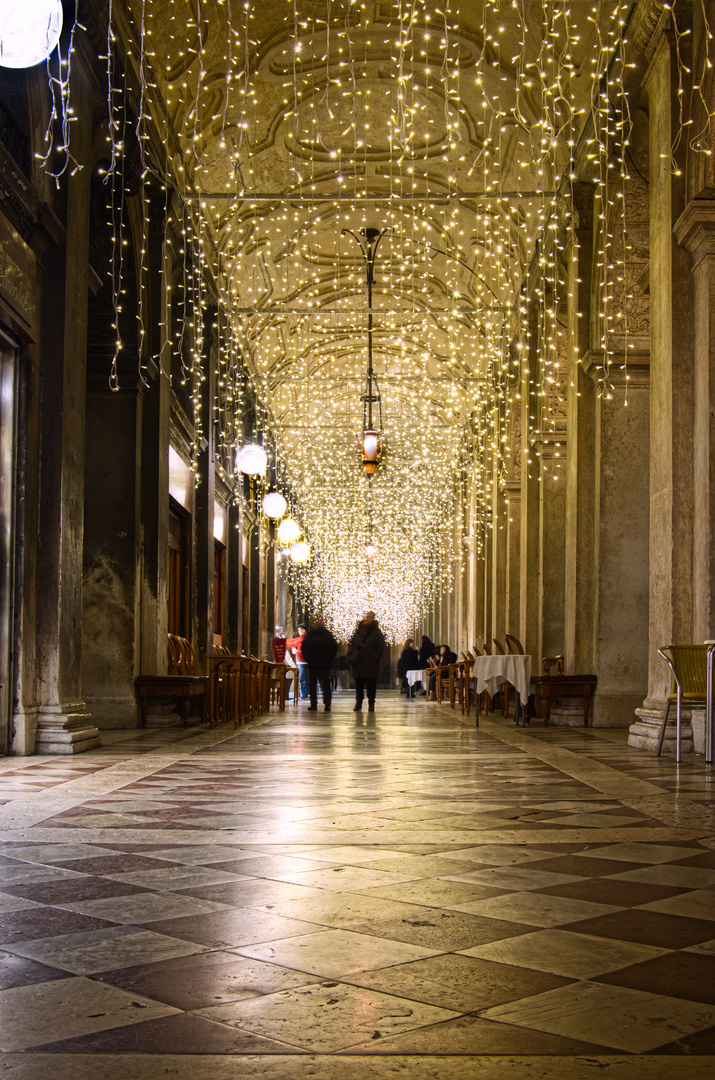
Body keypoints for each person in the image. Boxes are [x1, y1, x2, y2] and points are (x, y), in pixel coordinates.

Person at [347, 610, 386, 713]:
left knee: (371, 684)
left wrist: (374, 657)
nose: (366, 618)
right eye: (366, 616)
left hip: (370, 663)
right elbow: (351, 643)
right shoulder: (358, 630)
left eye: (369, 617)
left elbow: (381, 646)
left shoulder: (376, 632)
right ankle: (358, 702)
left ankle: (371, 703)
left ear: (373, 618)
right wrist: (351, 653)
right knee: (359, 684)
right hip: (358, 662)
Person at [301, 617, 339, 712]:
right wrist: (308, 658)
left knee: (324, 685)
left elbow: (334, 647)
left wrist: (328, 659)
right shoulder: (312, 635)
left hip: (323, 664)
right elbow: (304, 647)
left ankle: (326, 704)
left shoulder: (325, 635)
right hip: (315, 663)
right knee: (313, 685)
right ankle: (314, 703)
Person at [285, 623, 309, 700]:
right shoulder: (302, 638)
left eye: (299, 630)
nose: (298, 631)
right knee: (302, 678)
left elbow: (294, 643)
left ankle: (304, 695)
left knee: (303, 678)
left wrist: (296, 651)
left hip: (302, 661)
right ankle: (303, 694)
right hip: (301, 661)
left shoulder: (303, 639)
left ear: (303, 630)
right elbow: (294, 641)